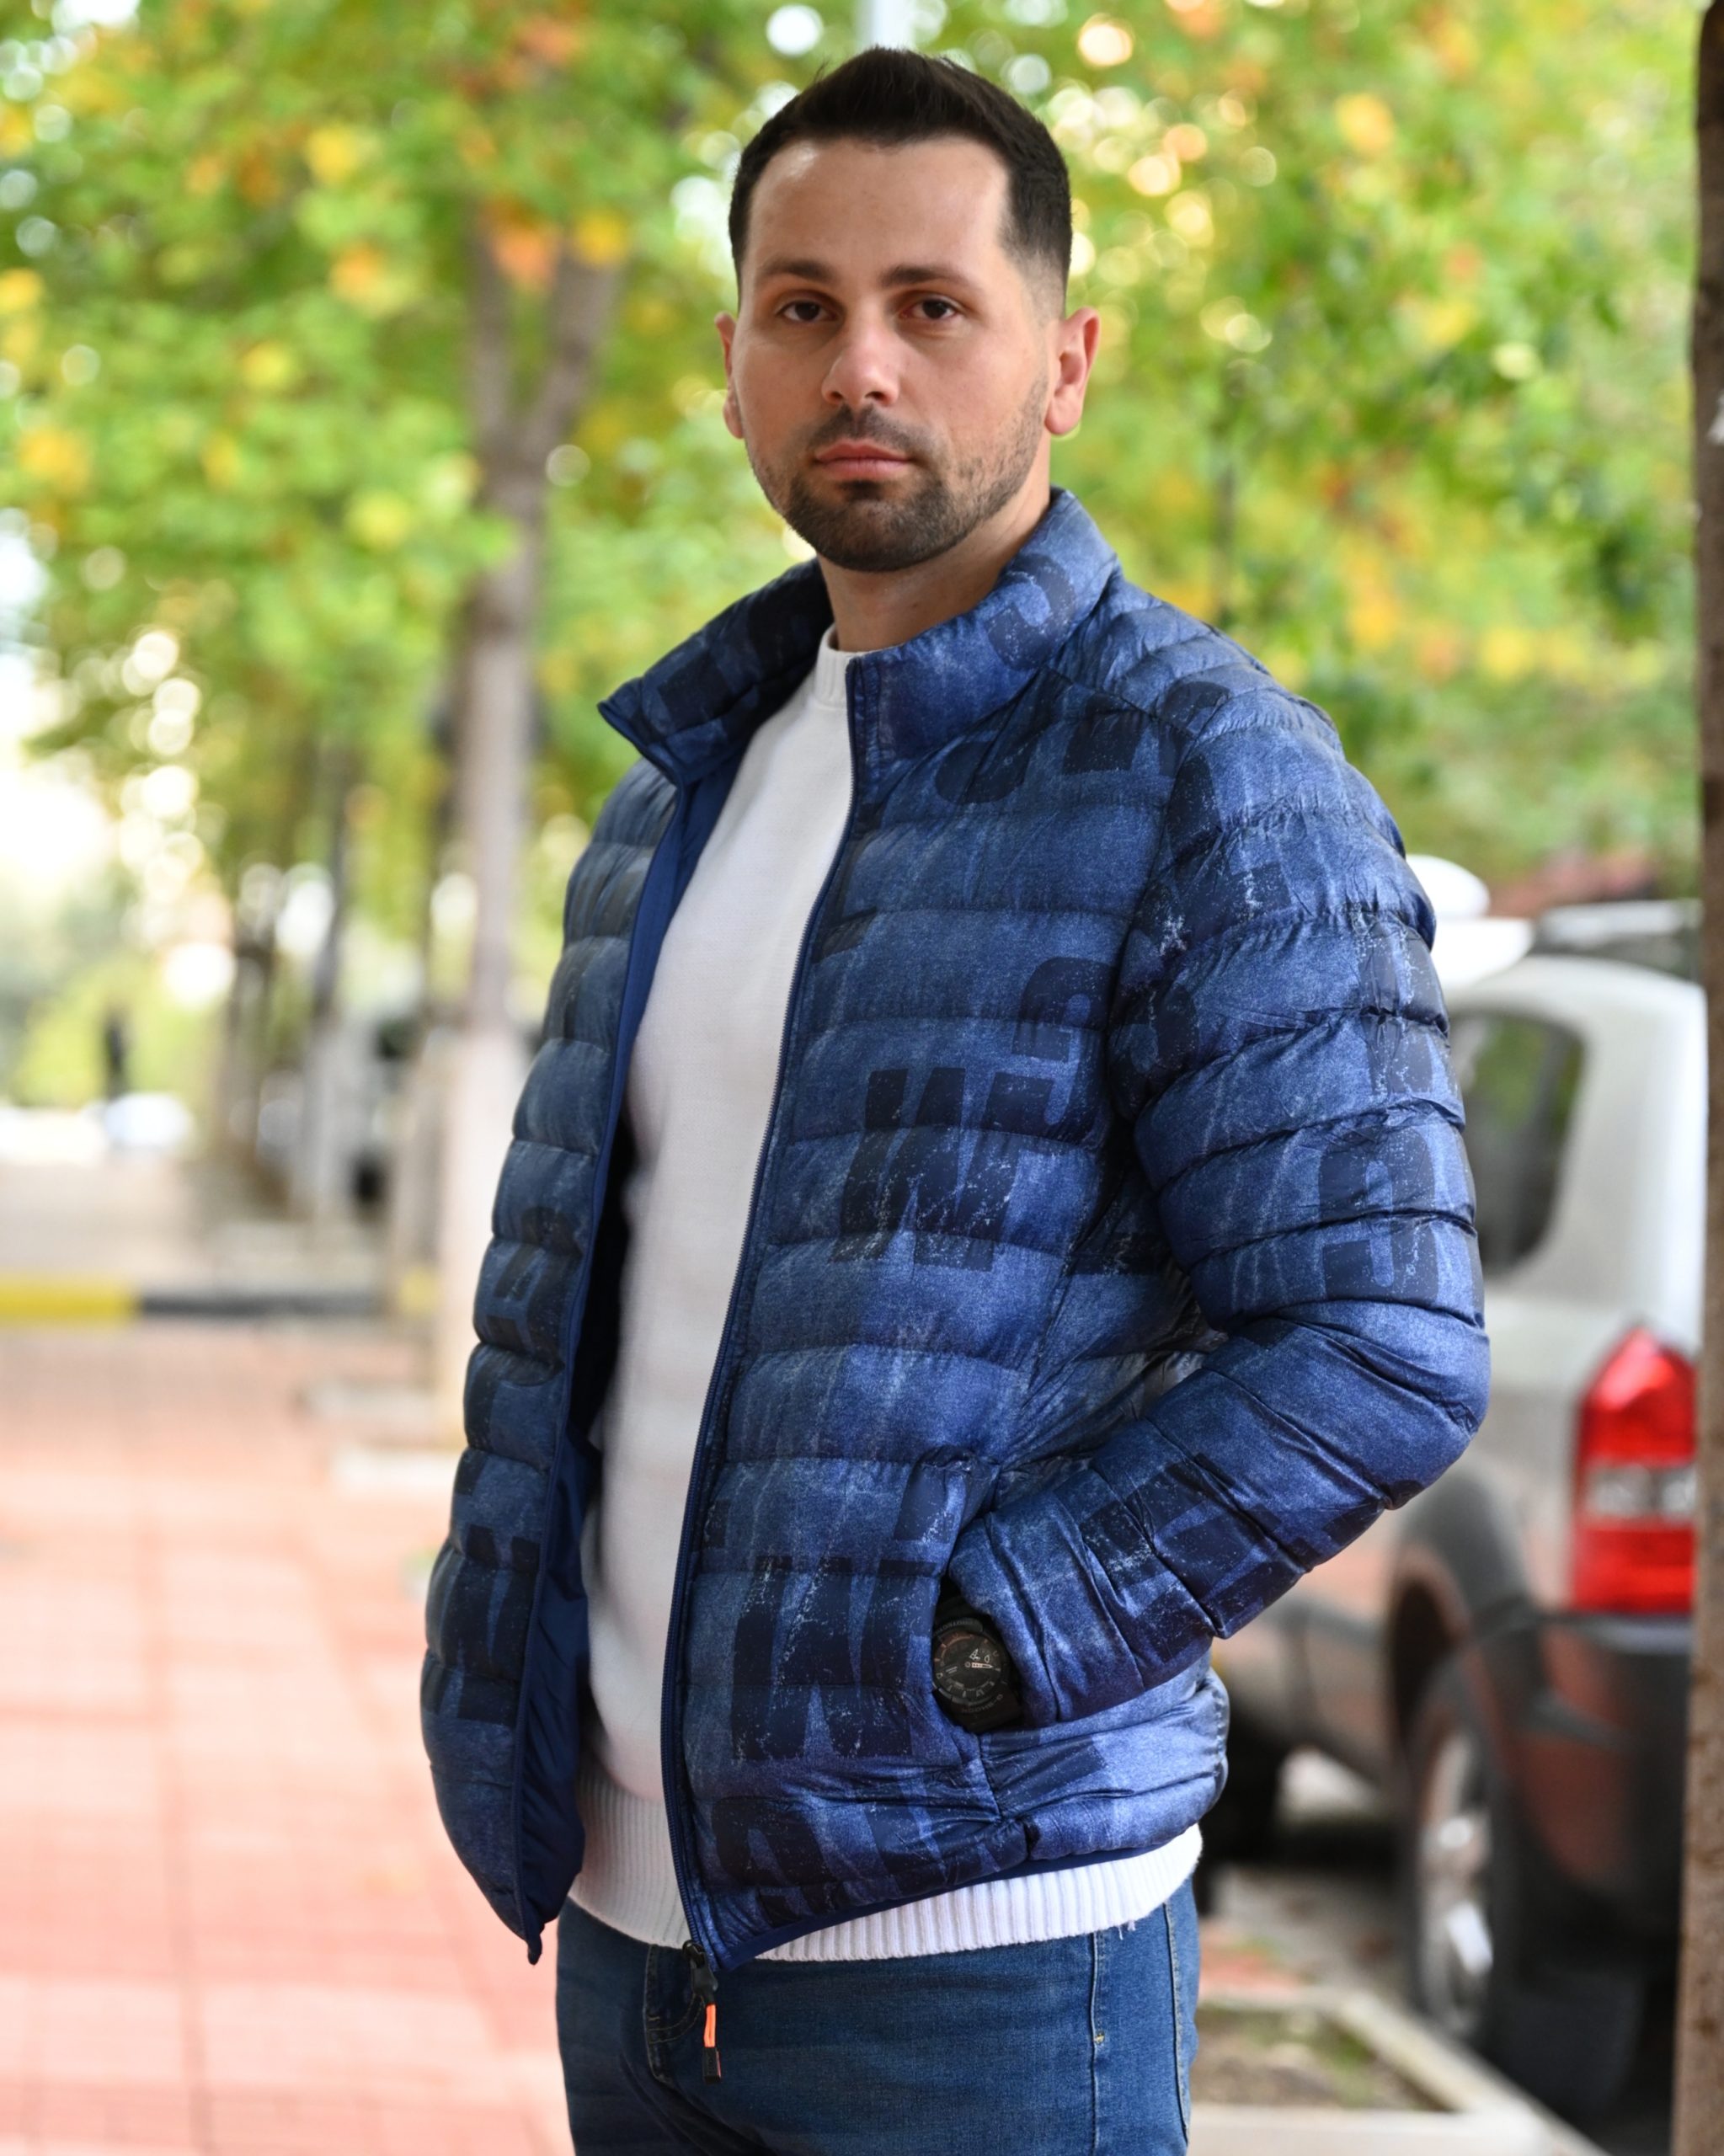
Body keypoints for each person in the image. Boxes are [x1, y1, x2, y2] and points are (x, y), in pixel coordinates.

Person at [421, 48, 1488, 2155]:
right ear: (733, 361)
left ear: (1064, 361)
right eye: (803, 307)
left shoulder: (1208, 772)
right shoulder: (675, 794)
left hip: (980, 1948)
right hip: (628, 1929)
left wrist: (990, 1641)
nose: (862, 364)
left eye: (933, 305)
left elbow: (1379, 1340)